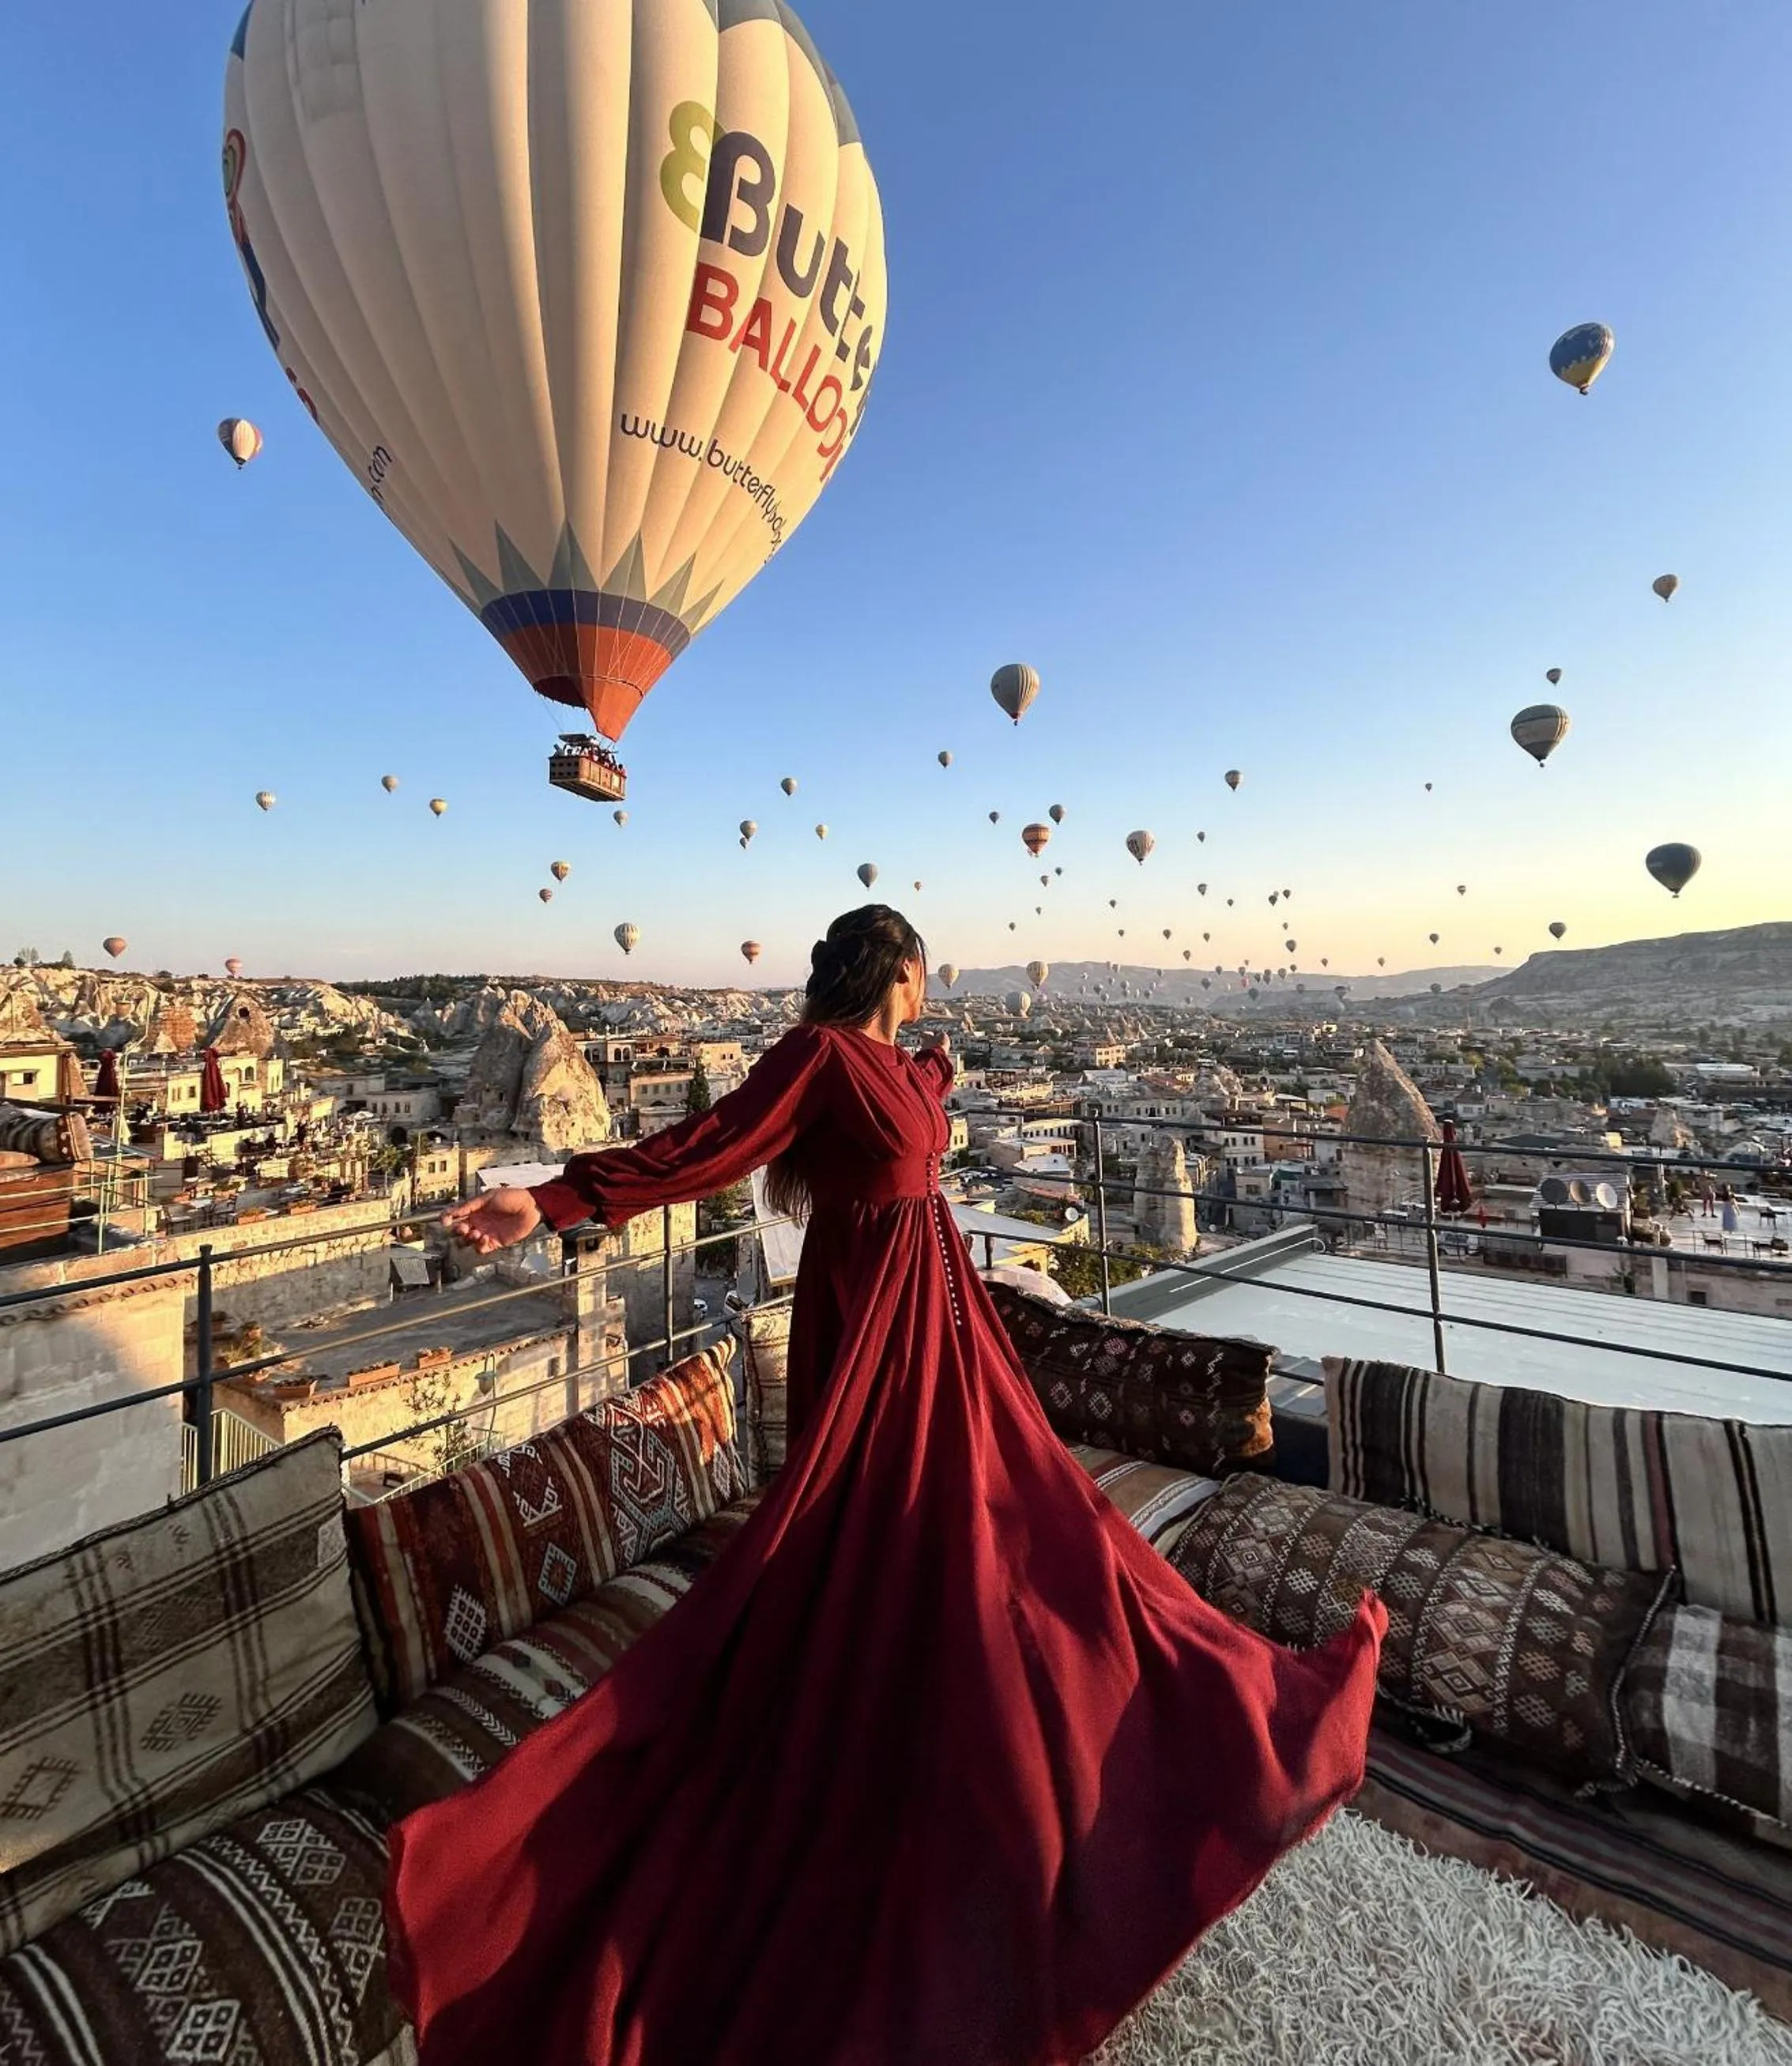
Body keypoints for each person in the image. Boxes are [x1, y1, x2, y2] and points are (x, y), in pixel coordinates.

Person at [390, 907, 1385, 2066]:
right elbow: (705, 1147)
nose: (932, 982)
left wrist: (932, 1076)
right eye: (923, 964)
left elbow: (909, 1125)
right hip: (868, 1320)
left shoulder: (902, 1064)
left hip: (942, 1317)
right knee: (888, 1527)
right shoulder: (813, 1058)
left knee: (1020, 1523)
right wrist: (554, 1198)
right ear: (898, 965)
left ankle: (991, 1725)